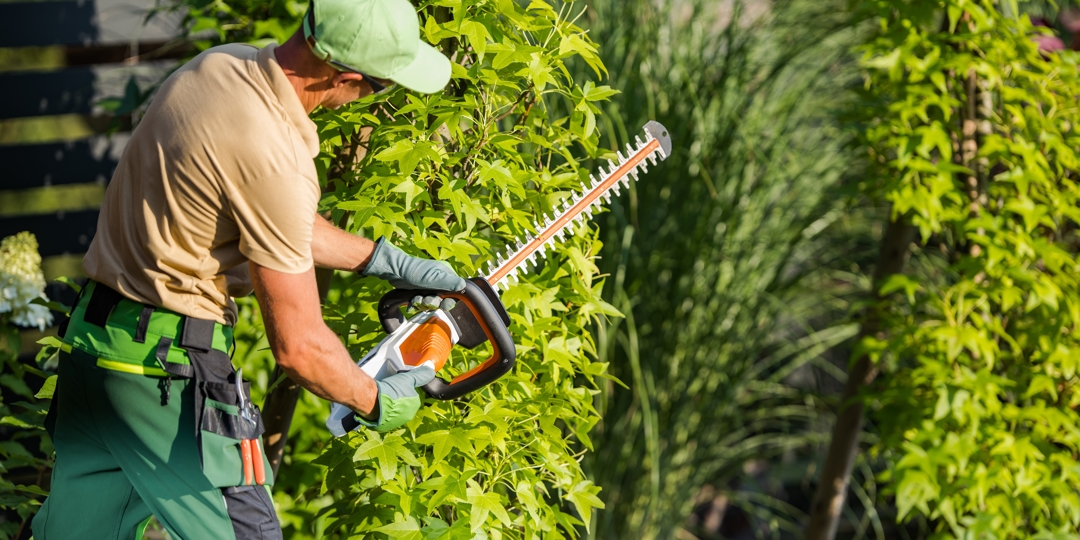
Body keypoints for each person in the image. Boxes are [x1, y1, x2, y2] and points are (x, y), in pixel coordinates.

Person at [31, 0, 460, 537]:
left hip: (94, 352)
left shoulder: (220, 68)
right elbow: (299, 348)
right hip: (166, 380)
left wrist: (385, 260)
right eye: (381, 87)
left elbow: (269, 212)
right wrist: (377, 400)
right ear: (347, 78)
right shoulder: (275, 152)